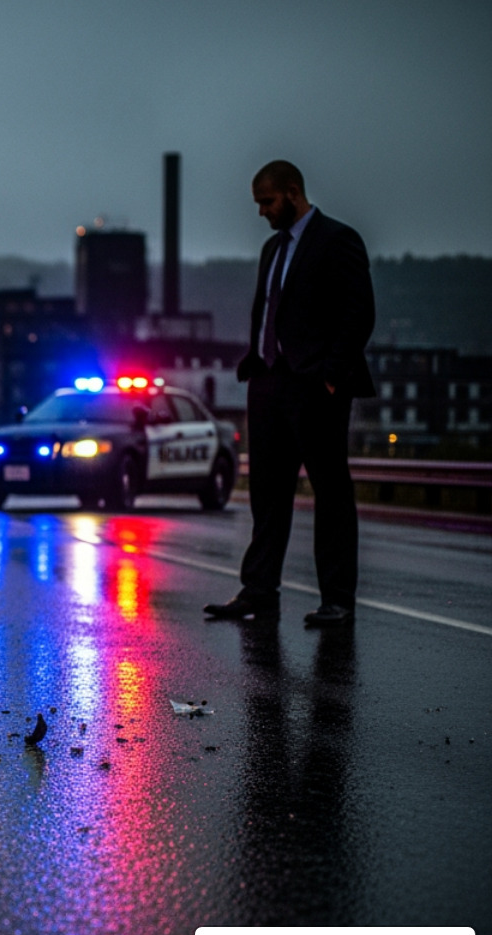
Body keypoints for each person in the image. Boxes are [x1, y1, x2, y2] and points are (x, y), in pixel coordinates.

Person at [204, 160, 375, 627]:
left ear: (293, 193)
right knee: (267, 493)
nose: (261, 211)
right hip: (270, 384)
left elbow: (358, 313)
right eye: (258, 203)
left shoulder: (338, 240)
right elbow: (270, 313)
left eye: (267, 201)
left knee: (330, 491)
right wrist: (255, 364)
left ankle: (337, 599)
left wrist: (331, 375)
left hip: (315, 386)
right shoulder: (271, 249)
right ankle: (259, 591)